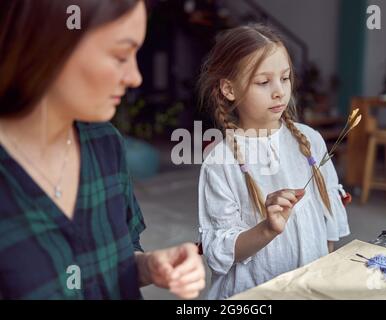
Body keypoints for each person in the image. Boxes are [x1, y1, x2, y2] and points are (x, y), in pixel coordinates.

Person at [0, 0, 204, 299]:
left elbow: (115, 259)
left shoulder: (105, 143)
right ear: (52, 44)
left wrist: (150, 266)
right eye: (121, 55)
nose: (135, 77)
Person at [197, 24, 350, 299]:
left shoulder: (310, 141)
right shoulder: (220, 162)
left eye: (285, 78)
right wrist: (267, 229)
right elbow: (220, 253)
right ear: (229, 89)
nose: (279, 91)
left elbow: (329, 223)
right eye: (263, 82)